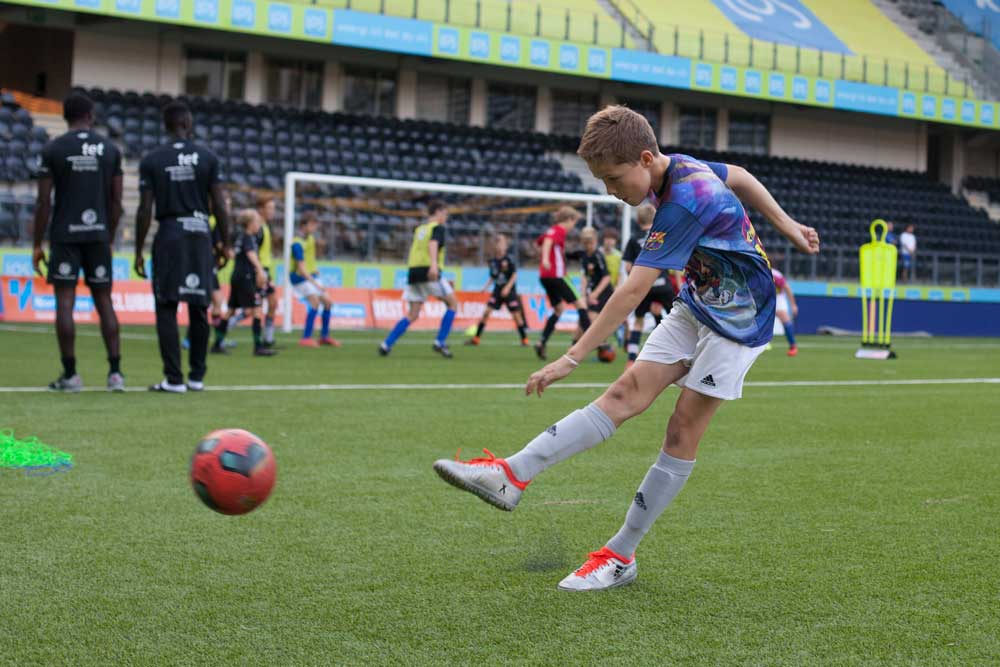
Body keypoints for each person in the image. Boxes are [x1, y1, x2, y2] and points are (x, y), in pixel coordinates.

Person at [433, 105, 820, 592]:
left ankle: (620, 555)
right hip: (699, 301)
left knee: (681, 429)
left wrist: (572, 357)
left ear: (643, 157)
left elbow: (632, 291)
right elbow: (740, 175)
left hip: (740, 319)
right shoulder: (674, 167)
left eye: (614, 179)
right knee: (623, 396)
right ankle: (512, 474)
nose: (610, 192)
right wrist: (787, 225)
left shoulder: (683, 201)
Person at [32, 92, 124, 392]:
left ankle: (71, 375)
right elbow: (116, 201)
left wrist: (37, 244)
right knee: (104, 301)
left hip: (65, 236)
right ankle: (115, 374)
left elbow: (44, 201)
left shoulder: (54, 148)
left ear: (65, 116)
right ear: (91, 115)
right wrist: (107, 237)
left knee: (65, 302)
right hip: (98, 236)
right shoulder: (110, 149)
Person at [135, 101, 230, 393]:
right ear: (188, 124)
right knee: (199, 307)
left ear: (166, 125)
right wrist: (224, 243)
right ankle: (197, 377)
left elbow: (145, 208)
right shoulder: (208, 157)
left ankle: (174, 379)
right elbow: (220, 206)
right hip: (200, 233)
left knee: (166, 306)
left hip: (170, 233)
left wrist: (138, 249)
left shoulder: (152, 159)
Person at [379, 200, 458, 358]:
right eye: (445, 214)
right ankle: (440, 341)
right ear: (438, 212)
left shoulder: (420, 229)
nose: (446, 218)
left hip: (413, 272)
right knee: (453, 303)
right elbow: (433, 243)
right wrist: (434, 265)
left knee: (413, 313)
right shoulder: (437, 228)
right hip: (428, 271)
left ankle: (387, 343)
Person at [212, 209, 276, 357]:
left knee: (231, 310)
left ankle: (217, 344)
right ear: (250, 224)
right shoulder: (248, 237)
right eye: (257, 222)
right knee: (257, 310)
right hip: (246, 277)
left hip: (237, 276)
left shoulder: (239, 236)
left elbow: (232, 253)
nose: (259, 225)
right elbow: (251, 254)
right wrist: (260, 270)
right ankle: (258, 347)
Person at [534, 206, 592, 361]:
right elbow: (547, 242)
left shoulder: (551, 230)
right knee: (581, 304)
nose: (574, 226)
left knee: (559, 308)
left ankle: (541, 342)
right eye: (574, 222)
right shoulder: (558, 230)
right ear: (569, 220)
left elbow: (538, 243)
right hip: (557, 275)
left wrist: (544, 257)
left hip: (545, 276)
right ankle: (597, 343)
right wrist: (546, 259)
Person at [622, 203, 676, 367]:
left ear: (638, 220)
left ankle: (631, 358)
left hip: (644, 287)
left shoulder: (633, 239)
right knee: (676, 317)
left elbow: (628, 267)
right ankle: (679, 352)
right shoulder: (661, 235)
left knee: (638, 321)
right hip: (663, 284)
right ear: (655, 218)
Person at [466, 233, 529, 347]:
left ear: (505, 246)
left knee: (516, 315)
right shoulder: (492, 261)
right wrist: (484, 288)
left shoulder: (509, 259)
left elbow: (514, 275)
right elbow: (493, 276)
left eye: (501, 243)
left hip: (509, 291)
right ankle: (476, 339)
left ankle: (524, 340)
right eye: (497, 243)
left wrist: (507, 288)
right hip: (497, 290)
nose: (499, 245)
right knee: (486, 312)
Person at [291, 211, 341, 348]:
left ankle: (324, 337)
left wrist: (315, 271)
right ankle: (306, 338)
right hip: (299, 278)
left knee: (328, 303)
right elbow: (301, 268)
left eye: (315, 225)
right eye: (312, 225)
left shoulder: (310, 239)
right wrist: (316, 285)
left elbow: (309, 260)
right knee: (314, 302)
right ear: (303, 225)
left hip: (311, 276)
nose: (314, 228)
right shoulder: (297, 244)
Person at [576, 227, 615, 358]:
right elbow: (585, 277)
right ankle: (576, 347)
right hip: (593, 292)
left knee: (591, 319)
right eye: (585, 243)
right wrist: (582, 294)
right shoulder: (584, 257)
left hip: (604, 292)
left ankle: (602, 346)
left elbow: (606, 277)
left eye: (590, 243)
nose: (588, 246)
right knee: (583, 320)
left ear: (596, 241)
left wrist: (595, 294)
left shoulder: (598, 256)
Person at [255, 195, 279, 348]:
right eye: (270, 208)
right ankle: (222, 332)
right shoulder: (256, 228)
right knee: (252, 309)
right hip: (259, 271)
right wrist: (259, 272)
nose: (272, 211)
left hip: (265, 271)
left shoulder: (265, 226)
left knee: (273, 303)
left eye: (273, 208)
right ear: (261, 209)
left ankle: (268, 339)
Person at [772, 267, 799, 356]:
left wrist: (793, 305)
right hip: (764, 297)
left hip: (778, 297)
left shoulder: (776, 275)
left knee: (785, 318)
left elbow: (787, 288)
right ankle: (759, 344)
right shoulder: (756, 271)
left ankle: (793, 346)